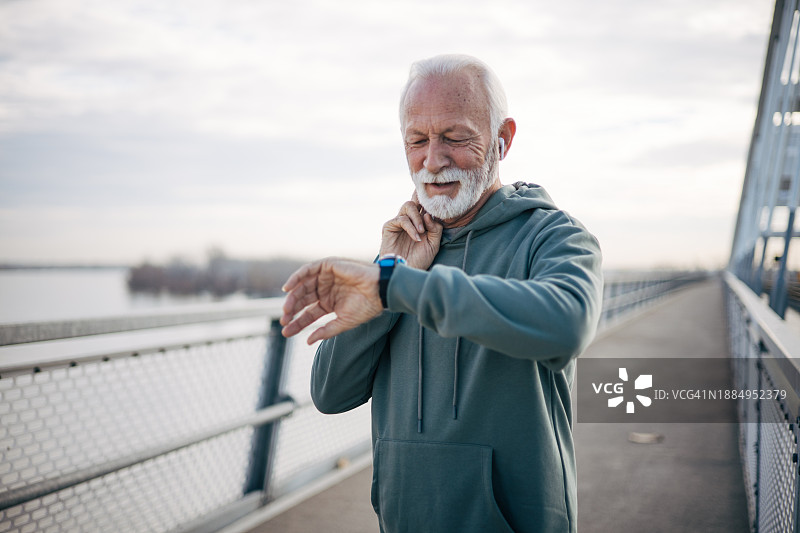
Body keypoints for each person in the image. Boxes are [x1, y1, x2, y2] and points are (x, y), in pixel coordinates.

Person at [280, 54, 602, 533]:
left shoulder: (554, 236)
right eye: (417, 140)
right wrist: (391, 272)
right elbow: (330, 393)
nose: (433, 159)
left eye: (454, 137)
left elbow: (567, 325)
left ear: (502, 140)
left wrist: (399, 286)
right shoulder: (403, 258)